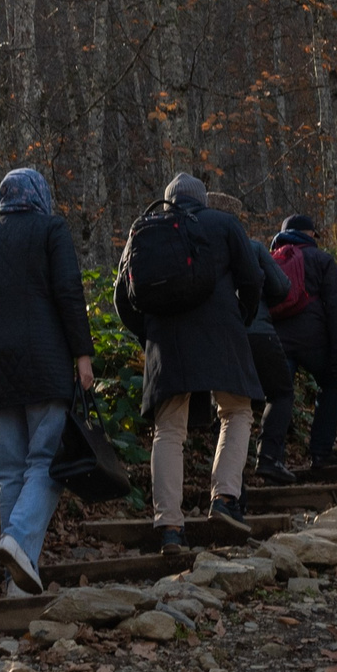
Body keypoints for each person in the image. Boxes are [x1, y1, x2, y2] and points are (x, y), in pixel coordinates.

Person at [115, 173, 286, 550]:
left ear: (168, 200)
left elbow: (122, 298)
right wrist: (240, 318)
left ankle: (169, 526)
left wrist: (149, 336)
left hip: (166, 343)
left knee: (168, 430)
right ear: (202, 199)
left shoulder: (144, 230)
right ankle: (224, 498)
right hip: (221, 334)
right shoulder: (224, 223)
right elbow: (252, 279)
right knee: (237, 412)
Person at [0, 167, 95, 595]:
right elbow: (69, 291)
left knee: (9, 472)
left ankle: (15, 583)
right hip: (43, 365)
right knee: (47, 462)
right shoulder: (51, 230)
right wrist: (83, 355)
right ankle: (17, 540)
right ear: (40, 196)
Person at [206, 190, 295, 486]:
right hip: (258, 333)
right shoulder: (252, 247)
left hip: (216, 339)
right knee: (280, 392)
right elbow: (281, 287)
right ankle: (269, 457)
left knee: (227, 409)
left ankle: (231, 483)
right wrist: (259, 303)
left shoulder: (195, 248)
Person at [263, 213, 337, 475]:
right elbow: (335, 308)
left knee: (279, 395)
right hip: (315, 341)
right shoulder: (322, 259)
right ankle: (321, 453)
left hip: (278, 339)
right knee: (329, 385)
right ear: (309, 234)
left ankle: (269, 457)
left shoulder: (269, 259)